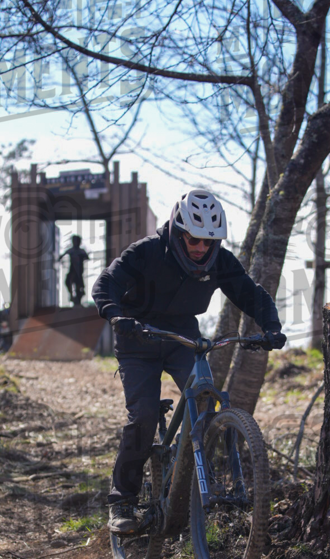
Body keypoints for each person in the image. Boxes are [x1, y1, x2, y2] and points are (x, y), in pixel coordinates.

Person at [92, 188, 286, 535]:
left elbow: (250, 293)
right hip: (138, 337)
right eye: (193, 240)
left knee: (206, 403)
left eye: (208, 242)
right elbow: (106, 283)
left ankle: (191, 482)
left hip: (183, 335)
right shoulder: (147, 251)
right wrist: (116, 316)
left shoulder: (220, 261)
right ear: (178, 231)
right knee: (145, 415)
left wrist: (271, 327)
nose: (200, 248)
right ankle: (122, 499)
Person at [59, 234, 90, 305]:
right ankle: (71, 294)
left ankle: (79, 294)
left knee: (79, 285)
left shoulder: (80, 251)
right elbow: (62, 256)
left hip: (79, 272)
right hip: (72, 270)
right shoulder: (72, 250)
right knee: (67, 282)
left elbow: (87, 257)